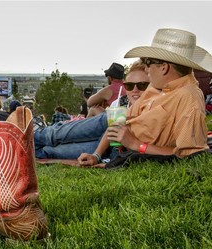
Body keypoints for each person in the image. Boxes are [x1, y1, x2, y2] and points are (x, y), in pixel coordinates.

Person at [78, 28, 211, 167]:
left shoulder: (188, 97)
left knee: (56, 148)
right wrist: (97, 154)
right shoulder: (156, 87)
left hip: (121, 145)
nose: (146, 70)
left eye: (148, 63)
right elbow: (123, 120)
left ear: (164, 67)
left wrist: (137, 144)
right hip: (112, 135)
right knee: (53, 135)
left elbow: (188, 155)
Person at [34, 61, 149, 159]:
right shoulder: (122, 101)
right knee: (57, 135)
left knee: (56, 150)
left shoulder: (110, 89)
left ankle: (31, 148)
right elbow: (114, 126)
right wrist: (97, 155)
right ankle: (29, 137)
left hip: (114, 147)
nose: (135, 90)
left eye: (142, 85)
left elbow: (90, 102)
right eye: (129, 85)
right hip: (109, 131)